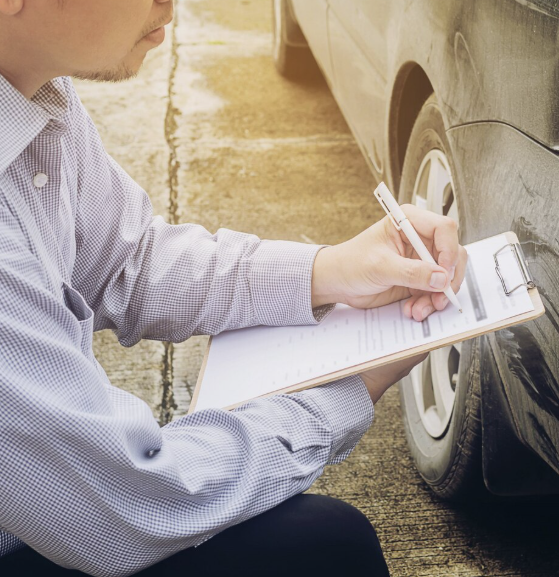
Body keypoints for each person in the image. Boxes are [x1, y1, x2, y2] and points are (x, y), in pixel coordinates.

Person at [0, 0, 467, 575]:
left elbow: (129, 261)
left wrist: (331, 272)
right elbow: (128, 507)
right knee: (326, 548)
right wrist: (345, 388)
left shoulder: (34, 94)